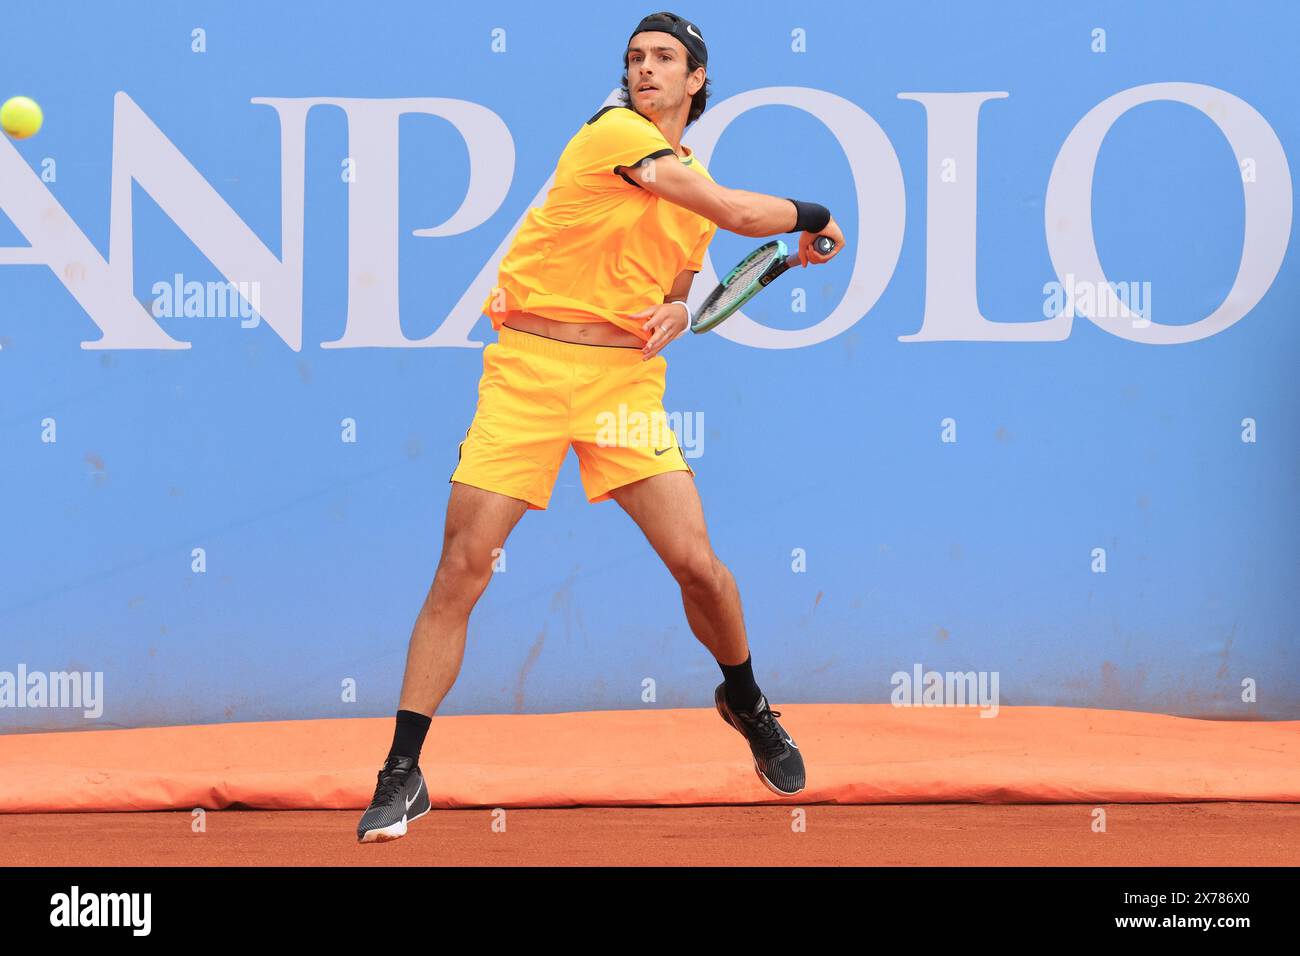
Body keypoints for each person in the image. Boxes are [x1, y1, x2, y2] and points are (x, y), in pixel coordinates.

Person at [358, 10, 844, 843]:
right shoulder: (612, 131)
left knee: (699, 567)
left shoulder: (688, 179)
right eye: (634, 58)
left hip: (622, 386)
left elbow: (684, 278)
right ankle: (402, 772)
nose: (644, 69)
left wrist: (676, 311)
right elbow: (732, 212)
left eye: (663, 59)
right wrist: (816, 210)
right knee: (463, 566)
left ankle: (746, 698)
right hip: (528, 374)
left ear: (696, 80)